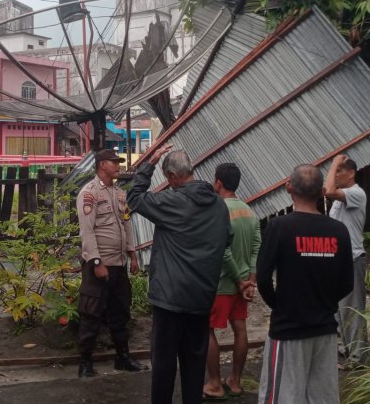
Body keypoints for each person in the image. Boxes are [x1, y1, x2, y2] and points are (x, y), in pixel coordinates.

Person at [126, 145, 231, 404]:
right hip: (201, 297)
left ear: (172, 176)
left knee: (163, 363)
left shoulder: (173, 201)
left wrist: (149, 164)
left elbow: (135, 198)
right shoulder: (218, 205)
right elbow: (227, 238)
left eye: (168, 179)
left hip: (170, 298)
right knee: (195, 362)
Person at [256, 164, 353, 404]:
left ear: (288, 187)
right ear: (322, 191)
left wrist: (279, 305)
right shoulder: (339, 231)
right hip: (325, 330)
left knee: (282, 397)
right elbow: (347, 282)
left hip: (288, 330)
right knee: (322, 398)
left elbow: (263, 276)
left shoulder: (279, 227)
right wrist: (325, 304)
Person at [76, 148, 146, 378]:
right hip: (99, 263)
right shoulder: (89, 193)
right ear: (102, 165)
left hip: (118, 263)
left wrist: (132, 253)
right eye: (114, 162)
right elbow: (87, 231)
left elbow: (127, 224)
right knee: (91, 313)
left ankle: (122, 358)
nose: (118, 166)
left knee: (120, 312)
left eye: (118, 162)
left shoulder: (119, 194)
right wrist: (96, 262)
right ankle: (85, 363)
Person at [202, 162, 261, 400]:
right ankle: (235, 382)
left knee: (207, 330)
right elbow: (256, 247)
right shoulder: (249, 211)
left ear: (218, 182)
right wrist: (250, 281)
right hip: (243, 283)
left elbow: (224, 251)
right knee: (240, 329)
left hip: (222, 283)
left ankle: (215, 384)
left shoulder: (217, 211)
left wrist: (238, 280)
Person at [324, 154, 367, 366]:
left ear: (351, 173)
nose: (335, 174)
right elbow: (328, 190)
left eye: (340, 170)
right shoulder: (342, 197)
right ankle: (345, 348)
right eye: (336, 170)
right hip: (336, 262)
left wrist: (333, 163)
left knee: (352, 310)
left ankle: (357, 357)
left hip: (352, 260)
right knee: (338, 310)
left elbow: (329, 190)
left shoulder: (356, 193)